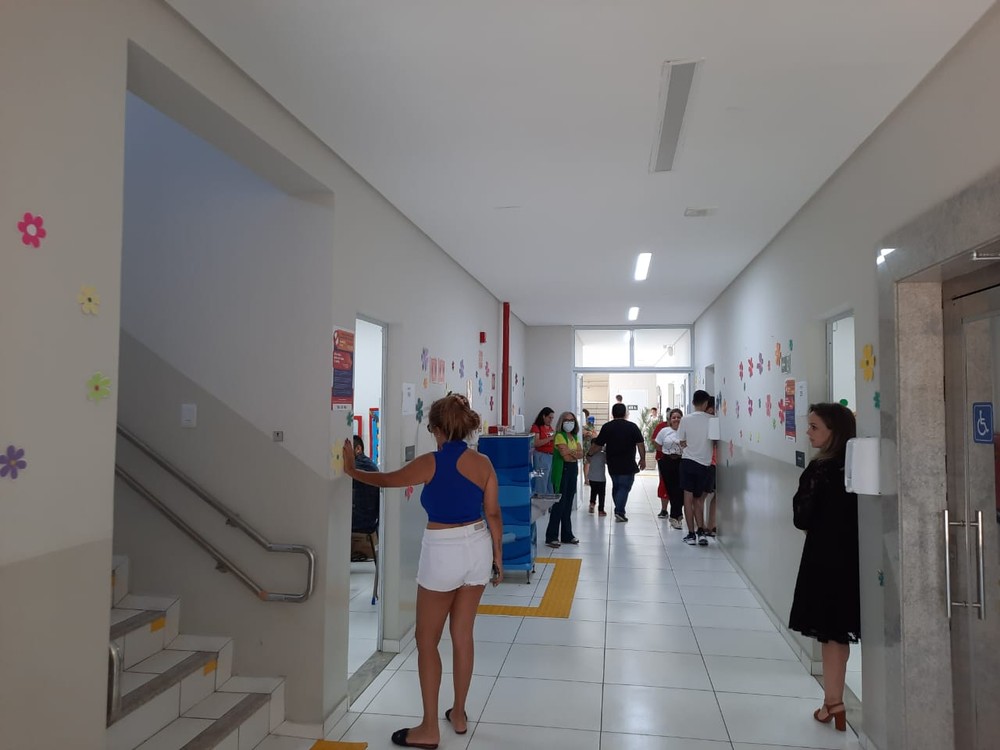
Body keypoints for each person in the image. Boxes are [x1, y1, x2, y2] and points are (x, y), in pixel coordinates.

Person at [342, 394, 503, 749]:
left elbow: (388, 480)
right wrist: (498, 557)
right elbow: (493, 513)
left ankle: (429, 727)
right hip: (478, 547)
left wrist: (353, 470)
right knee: (463, 635)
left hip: (443, 551)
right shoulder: (483, 463)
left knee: (426, 640)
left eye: (431, 428)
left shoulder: (431, 462)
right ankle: (458, 714)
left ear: (439, 429)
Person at [788, 403, 860, 733]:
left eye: (814, 427)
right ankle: (833, 701)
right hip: (856, 558)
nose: (808, 432)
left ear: (834, 432)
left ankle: (834, 702)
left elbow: (802, 517)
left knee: (829, 632)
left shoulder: (820, 470)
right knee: (840, 630)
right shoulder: (857, 468)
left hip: (824, 558)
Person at [588, 402, 645, 522]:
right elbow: (640, 444)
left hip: (612, 463)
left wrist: (589, 454)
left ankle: (619, 509)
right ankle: (619, 511)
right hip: (628, 463)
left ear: (612, 413)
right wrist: (642, 459)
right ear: (625, 413)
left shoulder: (607, 427)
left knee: (617, 486)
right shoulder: (632, 427)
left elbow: (598, 445)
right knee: (624, 487)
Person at [677, 390, 714, 546]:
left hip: (688, 462)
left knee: (688, 499)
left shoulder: (685, 419)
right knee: (699, 500)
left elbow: (680, 440)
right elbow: (715, 440)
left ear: (693, 402)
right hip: (705, 464)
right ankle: (701, 533)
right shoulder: (713, 420)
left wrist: (688, 445)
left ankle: (691, 534)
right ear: (706, 403)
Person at [545, 411, 584, 547]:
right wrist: (574, 453)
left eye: (572, 420)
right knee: (559, 504)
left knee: (568, 504)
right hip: (562, 471)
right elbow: (565, 457)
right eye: (566, 420)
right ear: (562, 422)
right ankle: (551, 536)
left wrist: (570, 452)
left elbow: (581, 454)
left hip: (572, 471)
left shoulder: (574, 436)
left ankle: (567, 535)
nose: (569, 423)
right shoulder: (559, 436)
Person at [350, 436, 380, 560]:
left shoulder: (358, 466)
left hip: (362, 520)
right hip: (371, 519)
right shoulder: (369, 464)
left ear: (358, 449)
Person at [654, 409, 685, 529]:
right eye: (674, 417)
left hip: (682, 461)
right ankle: (675, 516)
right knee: (671, 489)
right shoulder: (664, 431)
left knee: (680, 489)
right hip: (667, 462)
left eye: (678, 417)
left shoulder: (685, 431)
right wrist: (666, 452)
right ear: (670, 420)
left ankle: (676, 515)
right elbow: (657, 444)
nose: (676, 419)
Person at [530, 407, 556, 494]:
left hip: (550, 456)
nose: (551, 420)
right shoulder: (536, 427)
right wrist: (550, 438)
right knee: (541, 482)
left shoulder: (549, 428)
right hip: (541, 456)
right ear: (544, 416)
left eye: (552, 418)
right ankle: (540, 500)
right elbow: (536, 443)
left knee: (549, 483)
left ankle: (548, 501)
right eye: (549, 417)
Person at [587, 444, 608, 516]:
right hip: (601, 479)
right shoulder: (603, 455)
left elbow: (588, 460)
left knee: (593, 492)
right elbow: (607, 462)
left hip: (592, 478)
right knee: (601, 495)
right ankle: (601, 510)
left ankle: (592, 504)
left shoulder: (590, 455)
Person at [581, 409, 597, 485]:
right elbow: (584, 433)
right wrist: (588, 433)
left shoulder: (591, 426)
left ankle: (588, 479)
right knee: (586, 463)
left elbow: (595, 435)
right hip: (585, 446)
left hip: (590, 445)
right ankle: (586, 479)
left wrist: (590, 433)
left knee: (589, 463)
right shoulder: (583, 426)